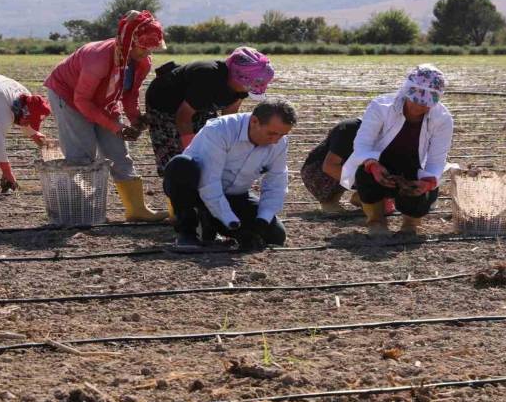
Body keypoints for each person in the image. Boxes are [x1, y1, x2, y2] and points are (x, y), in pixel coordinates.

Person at [44, 10, 168, 222]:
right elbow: (82, 100)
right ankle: (81, 210)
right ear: (129, 41)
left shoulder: (142, 63)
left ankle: (137, 210)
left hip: (104, 99)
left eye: (151, 49)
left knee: (119, 152)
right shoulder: (98, 59)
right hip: (69, 96)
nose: (147, 54)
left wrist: (136, 119)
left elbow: (129, 93)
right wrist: (116, 127)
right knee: (82, 153)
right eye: (143, 48)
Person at [163, 99, 296, 252]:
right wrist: (231, 223)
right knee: (181, 166)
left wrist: (262, 221)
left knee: (275, 236)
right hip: (198, 191)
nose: (276, 141)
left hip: (234, 194)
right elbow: (209, 183)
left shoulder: (279, 142)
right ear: (254, 121)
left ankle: (210, 222)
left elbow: (276, 183)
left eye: (282, 135)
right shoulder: (219, 131)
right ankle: (187, 231)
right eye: (271, 133)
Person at [340, 64, 453, 237]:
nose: (418, 107)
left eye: (426, 103)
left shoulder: (443, 119)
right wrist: (373, 166)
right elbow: (362, 145)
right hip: (382, 165)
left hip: (414, 168)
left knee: (424, 191)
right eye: (415, 100)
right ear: (406, 92)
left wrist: (427, 182)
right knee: (365, 174)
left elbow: (436, 160)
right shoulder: (380, 106)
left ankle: (410, 224)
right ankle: (376, 221)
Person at [144, 46, 274, 179]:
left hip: (198, 105)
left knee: (210, 145)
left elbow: (229, 117)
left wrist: (232, 149)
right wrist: (194, 153)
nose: (249, 90)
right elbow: (183, 119)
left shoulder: (242, 86)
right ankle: (177, 191)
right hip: (164, 103)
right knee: (177, 160)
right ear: (238, 76)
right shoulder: (208, 78)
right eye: (249, 86)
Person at [301, 118, 397, 215]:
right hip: (316, 172)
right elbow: (329, 166)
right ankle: (333, 200)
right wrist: (365, 187)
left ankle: (363, 197)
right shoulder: (350, 128)